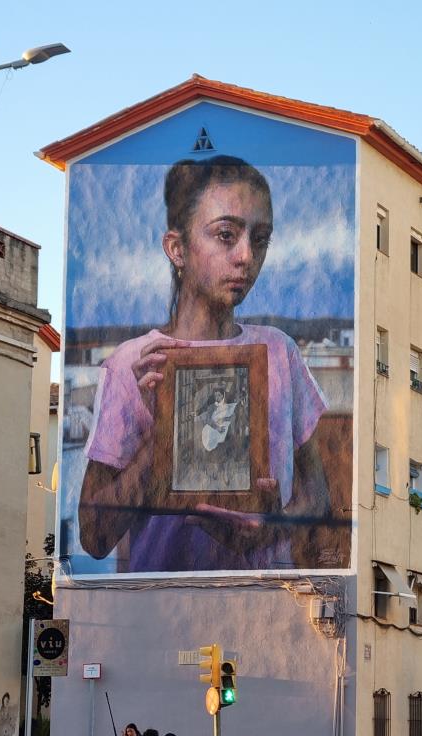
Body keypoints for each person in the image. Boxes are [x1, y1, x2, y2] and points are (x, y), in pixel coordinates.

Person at [78, 155, 329, 572]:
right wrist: (166, 431)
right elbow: (95, 536)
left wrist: (272, 527)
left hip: (271, 609)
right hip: (162, 612)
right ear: (177, 249)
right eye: (226, 235)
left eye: (261, 238)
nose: (246, 256)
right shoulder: (133, 363)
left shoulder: (280, 352)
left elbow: (317, 494)